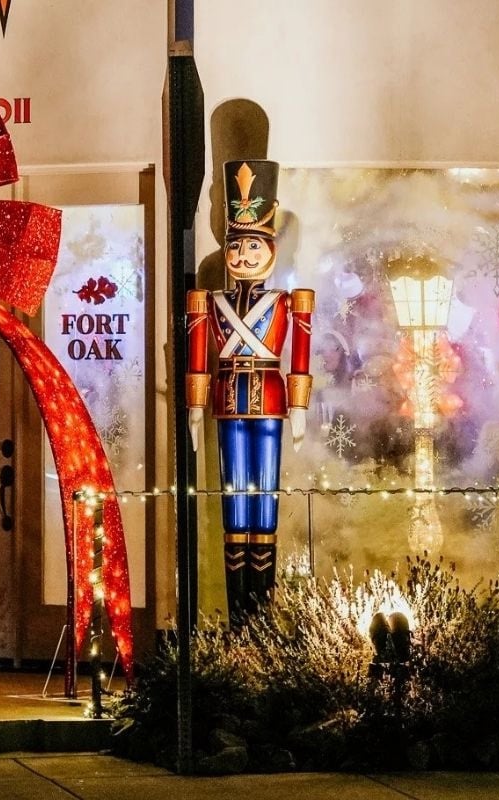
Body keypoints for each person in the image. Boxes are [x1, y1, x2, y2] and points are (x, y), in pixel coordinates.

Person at [186, 160, 314, 622]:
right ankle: (238, 611)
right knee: (234, 500)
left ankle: (261, 608)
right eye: (236, 246)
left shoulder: (287, 301)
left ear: (271, 249)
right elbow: (198, 356)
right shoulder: (210, 301)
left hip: (271, 399)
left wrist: (299, 406)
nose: (243, 256)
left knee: (266, 500)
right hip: (226, 400)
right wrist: (195, 407)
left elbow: (300, 353)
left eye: (253, 245)